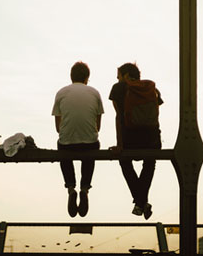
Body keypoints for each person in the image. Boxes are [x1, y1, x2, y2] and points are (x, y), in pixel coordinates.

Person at [109, 63, 163, 219]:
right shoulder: (152, 89)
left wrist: (120, 145)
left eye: (118, 76)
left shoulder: (118, 88)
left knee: (124, 161)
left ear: (126, 75)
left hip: (130, 139)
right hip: (152, 140)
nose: (117, 79)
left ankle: (141, 201)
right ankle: (141, 202)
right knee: (150, 163)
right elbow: (155, 116)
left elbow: (119, 117)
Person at [52, 61, 104, 217]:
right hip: (89, 145)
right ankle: (85, 189)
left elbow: (58, 128)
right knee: (92, 148)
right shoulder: (95, 93)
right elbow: (97, 127)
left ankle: (70, 188)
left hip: (67, 145)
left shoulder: (61, 93)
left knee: (62, 147)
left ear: (71, 76)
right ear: (87, 77)